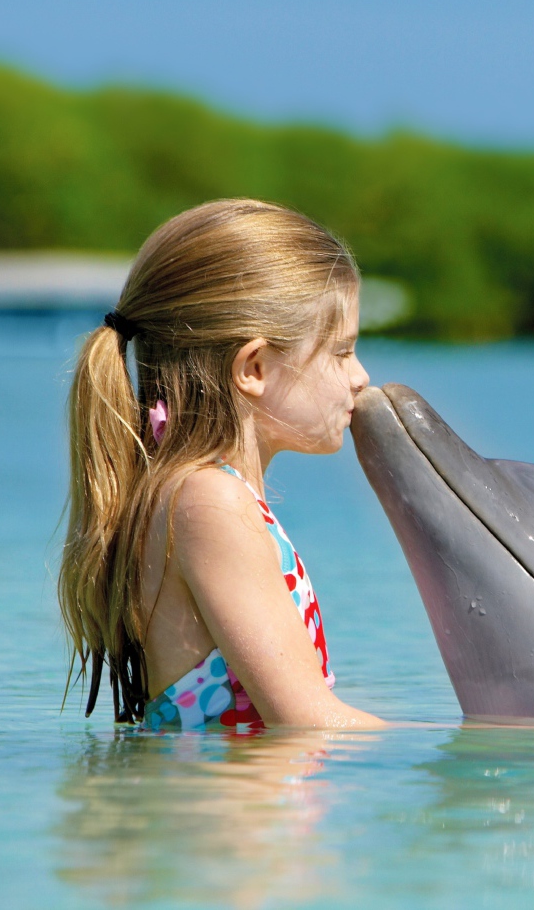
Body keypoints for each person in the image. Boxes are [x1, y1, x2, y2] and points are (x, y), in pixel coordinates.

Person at [58, 198, 384, 731]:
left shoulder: (193, 493)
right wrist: (488, 749)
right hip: (219, 813)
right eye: (342, 351)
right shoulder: (210, 499)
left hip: (228, 811)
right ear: (253, 366)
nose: (360, 377)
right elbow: (308, 722)